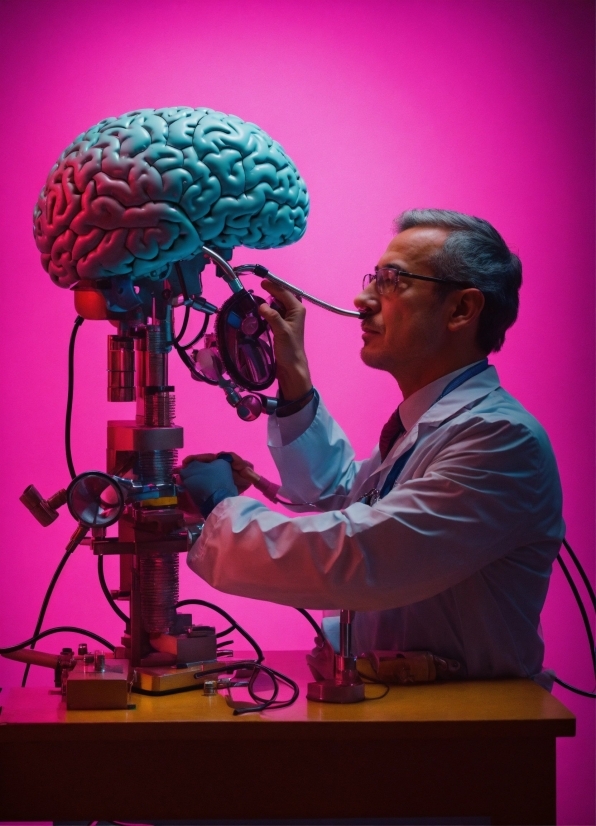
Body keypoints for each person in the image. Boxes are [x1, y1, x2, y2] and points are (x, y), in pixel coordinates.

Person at [183, 208, 564, 683]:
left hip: (469, 737)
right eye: (374, 278)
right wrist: (294, 377)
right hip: (411, 721)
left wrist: (221, 506)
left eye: (392, 281)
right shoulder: (428, 426)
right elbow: (350, 497)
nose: (362, 299)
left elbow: (365, 555)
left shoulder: (502, 442)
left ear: (462, 310)